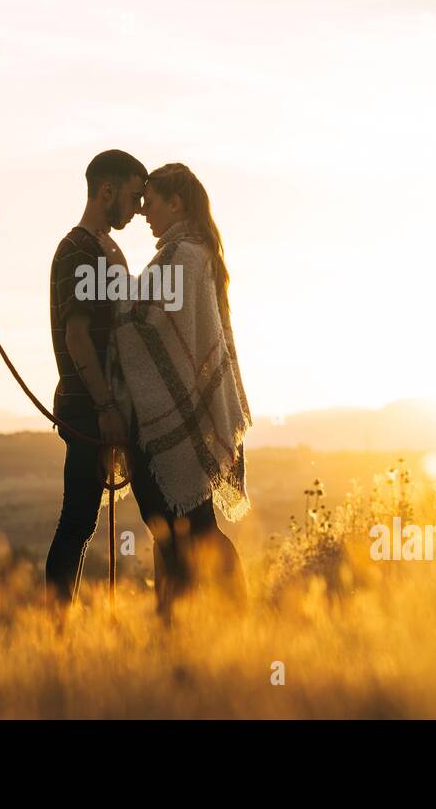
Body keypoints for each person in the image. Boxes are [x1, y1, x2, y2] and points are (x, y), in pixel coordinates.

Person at [105, 163, 252, 618]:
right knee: (183, 528)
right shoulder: (192, 252)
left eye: (151, 201)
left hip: (174, 423)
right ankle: (187, 622)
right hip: (188, 417)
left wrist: (111, 276)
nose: (144, 211)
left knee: (186, 528)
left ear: (177, 203)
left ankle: (207, 619)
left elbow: (136, 321)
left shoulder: (184, 256)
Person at [45, 149, 147, 608]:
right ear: (106, 191)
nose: (139, 207)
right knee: (77, 521)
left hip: (97, 405)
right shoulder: (80, 250)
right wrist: (107, 406)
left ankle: (56, 629)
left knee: (81, 521)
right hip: (91, 408)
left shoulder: (98, 247)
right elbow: (78, 335)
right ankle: (54, 631)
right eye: (133, 195)